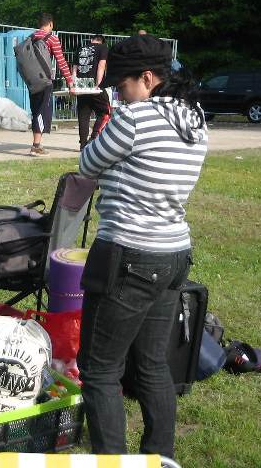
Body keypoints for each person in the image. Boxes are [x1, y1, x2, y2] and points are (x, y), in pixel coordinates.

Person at [76, 34, 208, 459]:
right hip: (174, 254)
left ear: (148, 79)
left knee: (100, 370)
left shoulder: (134, 119)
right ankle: (160, 457)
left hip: (128, 254)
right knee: (151, 364)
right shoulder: (196, 119)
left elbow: (87, 162)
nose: (117, 95)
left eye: (122, 86)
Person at [27, 13, 75, 156]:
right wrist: (70, 82)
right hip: (45, 81)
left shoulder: (31, 37)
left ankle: (37, 143)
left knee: (36, 110)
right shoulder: (52, 38)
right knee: (42, 111)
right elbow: (61, 62)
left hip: (31, 80)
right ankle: (36, 146)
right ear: (51, 24)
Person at [73, 34, 110, 149]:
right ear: (101, 42)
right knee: (105, 112)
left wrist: (73, 85)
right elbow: (101, 65)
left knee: (83, 115)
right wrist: (98, 84)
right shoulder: (103, 48)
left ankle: (83, 144)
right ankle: (94, 137)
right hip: (94, 86)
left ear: (91, 40)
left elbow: (74, 68)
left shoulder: (80, 49)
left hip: (81, 86)